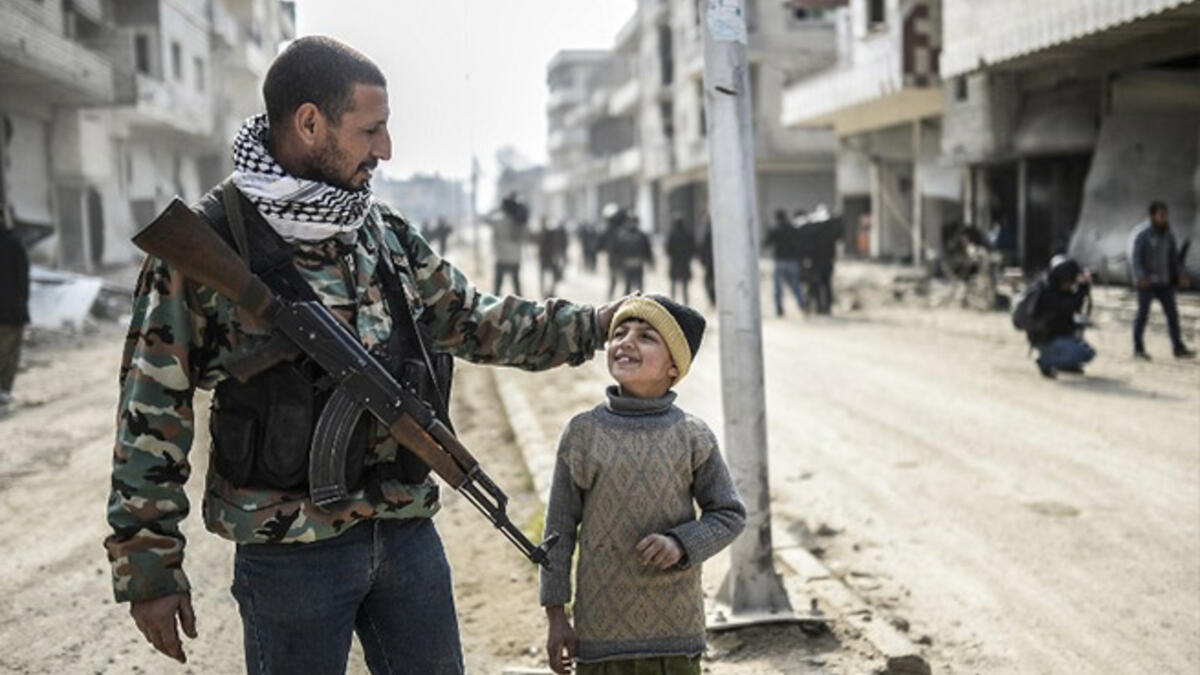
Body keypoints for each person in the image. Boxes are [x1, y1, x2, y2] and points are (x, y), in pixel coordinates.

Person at [103, 36, 628, 675]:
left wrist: (598, 325)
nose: (386, 148)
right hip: (290, 553)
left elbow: (472, 320)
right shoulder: (209, 245)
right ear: (309, 122)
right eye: (371, 129)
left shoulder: (378, 231)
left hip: (404, 530)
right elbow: (152, 408)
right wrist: (149, 564)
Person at [540, 294, 745, 675]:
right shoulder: (583, 433)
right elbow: (558, 531)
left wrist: (681, 543)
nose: (626, 341)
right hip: (600, 637)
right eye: (619, 332)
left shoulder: (692, 436)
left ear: (673, 367)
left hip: (675, 635)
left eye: (646, 336)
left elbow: (729, 514)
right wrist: (556, 616)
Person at [1130, 201, 1195, 360]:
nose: (1165, 218)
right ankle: (1138, 349)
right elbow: (1135, 259)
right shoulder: (1142, 234)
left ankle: (1178, 348)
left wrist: (1181, 274)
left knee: (1172, 315)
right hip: (1147, 284)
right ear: (1153, 215)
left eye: (1166, 215)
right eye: (1161, 215)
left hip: (1165, 283)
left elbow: (1174, 259)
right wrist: (1140, 276)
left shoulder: (1168, 235)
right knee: (1142, 315)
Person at [1028, 255, 1095, 378]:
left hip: (1054, 334)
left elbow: (1075, 309)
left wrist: (1084, 288)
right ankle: (1046, 362)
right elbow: (1071, 306)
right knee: (1085, 353)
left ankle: (1065, 364)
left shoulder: (1053, 288)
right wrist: (1082, 288)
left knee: (1083, 346)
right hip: (1046, 337)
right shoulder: (1049, 294)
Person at [0, 220, 30, 407]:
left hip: (11, 309)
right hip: (12, 311)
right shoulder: (14, 243)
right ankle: (4, 390)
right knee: (9, 353)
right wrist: (22, 301)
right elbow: (23, 277)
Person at [764, 209, 806, 317]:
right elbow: (800, 243)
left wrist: (768, 232)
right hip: (792, 260)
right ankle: (802, 304)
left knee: (778, 288)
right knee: (795, 285)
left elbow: (766, 243)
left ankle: (779, 309)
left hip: (780, 261)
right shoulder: (792, 229)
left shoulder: (776, 230)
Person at [492, 192, 528, 296]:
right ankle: (522, 308)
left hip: (502, 258)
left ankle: (496, 308)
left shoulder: (498, 220)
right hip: (515, 258)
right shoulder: (519, 221)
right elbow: (526, 236)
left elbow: (488, 219)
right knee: (517, 287)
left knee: (497, 289)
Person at [611, 214, 654, 295]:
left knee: (639, 288)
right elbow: (616, 251)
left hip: (638, 264)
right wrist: (617, 264)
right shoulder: (622, 235)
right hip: (627, 264)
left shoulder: (641, 235)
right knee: (628, 287)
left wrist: (650, 261)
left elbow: (647, 249)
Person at [665, 216, 695, 305]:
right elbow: (693, 249)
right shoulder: (688, 234)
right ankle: (686, 303)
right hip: (685, 262)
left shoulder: (672, 235)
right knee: (685, 286)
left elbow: (668, 249)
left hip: (674, 262)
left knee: (673, 284)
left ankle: (672, 302)